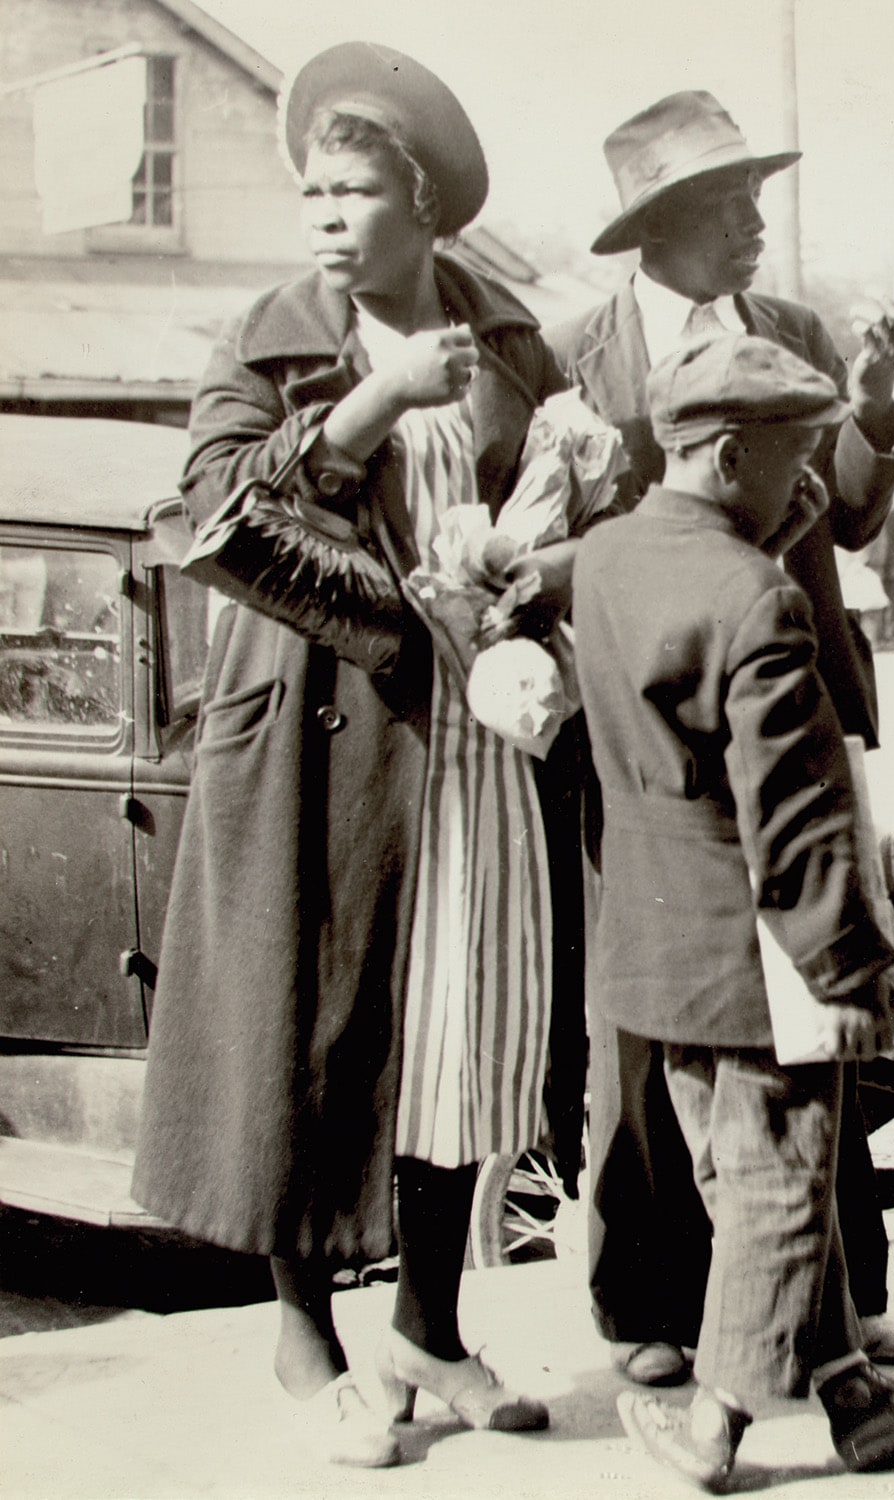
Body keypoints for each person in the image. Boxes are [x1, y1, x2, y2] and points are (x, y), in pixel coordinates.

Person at [132, 43, 568, 1465]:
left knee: (462, 1021)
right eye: (312, 189)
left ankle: (430, 1331)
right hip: (321, 731)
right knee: (307, 1024)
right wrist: (366, 410)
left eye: (356, 188)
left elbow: (564, 496)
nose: (325, 213)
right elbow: (212, 520)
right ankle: (305, 1336)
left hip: (472, 738)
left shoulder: (506, 338)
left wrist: (533, 595)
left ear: (424, 203)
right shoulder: (264, 340)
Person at [550, 89, 894, 1386]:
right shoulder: (577, 361)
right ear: (654, 227)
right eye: (728, 202)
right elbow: (544, 552)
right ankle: (651, 1308)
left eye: (758, 196)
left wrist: (872, 405)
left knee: (814, 1020)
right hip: (655, 745)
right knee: (661, 1026)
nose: (755, 222)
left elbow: (857, 519)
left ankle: (840, 1305)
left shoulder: (797, 335)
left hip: (792, 705)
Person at [575, 333, 894, 1489]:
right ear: (728, 452)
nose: (809, 476)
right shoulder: (754, 598)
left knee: (738, 1168)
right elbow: (796, 816)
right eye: (793, 452)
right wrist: (848, 969)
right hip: (760, 954)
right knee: (778, 1188)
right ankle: (714, 1431)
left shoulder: (605, 555)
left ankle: (853, 1396)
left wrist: (773, 514)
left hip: (658, 947)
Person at [861, 503, 894, 650]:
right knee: (890, 602)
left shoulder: (888, 508)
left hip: (884, 563)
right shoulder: (892, 508)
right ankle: (888, 638)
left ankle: (886, 639)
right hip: (891, 563)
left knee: (884, 602)